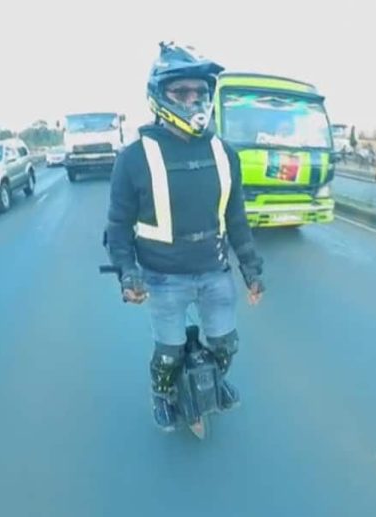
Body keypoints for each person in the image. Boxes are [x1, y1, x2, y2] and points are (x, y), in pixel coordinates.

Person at [104, 42, 264, 432]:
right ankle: (161, 394)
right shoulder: (133, 157)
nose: (194, 100)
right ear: (159, 96)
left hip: (215, 271)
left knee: (227, 344)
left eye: (200, 92)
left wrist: (252, 270)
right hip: (162, 277)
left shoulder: (225, 153)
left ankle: (216, 379)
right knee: (168, 354)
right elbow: (118, 227)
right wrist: (128, 274)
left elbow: (236, 216)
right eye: (182, 92)